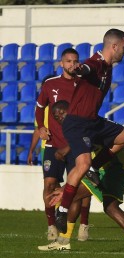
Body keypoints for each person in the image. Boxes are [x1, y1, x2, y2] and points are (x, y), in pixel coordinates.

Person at [38, 100, 124, 254]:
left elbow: (101, 141)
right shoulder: (78, 129)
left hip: (115, 167)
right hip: (111, 168)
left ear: (72, 112)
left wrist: (66, 185)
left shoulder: (88, 125)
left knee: (73, 197)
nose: (59, 116)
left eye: (62, 112)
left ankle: (63, 241)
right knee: (110, 207)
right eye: (55, 115)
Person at [55, 28, 124, 234]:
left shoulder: (108, 66)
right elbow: (86, 69)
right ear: (114, 46)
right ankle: (62, 210)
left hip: (93, 121)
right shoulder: (96, 62)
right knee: (82, 163)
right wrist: (79, 70)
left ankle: (93, 169)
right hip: (77, 123)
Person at [33, 49, 92, 241]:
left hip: (76, 146)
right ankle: (51, 226)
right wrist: (41, 127)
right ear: (61, 63)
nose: (72, 65)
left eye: (75, 61)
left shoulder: (85, 85)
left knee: (74, 189)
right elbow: (40, 108)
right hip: (53, 145)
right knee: (49, 185)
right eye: (68, 61)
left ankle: (72, 228)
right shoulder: (50, 84)